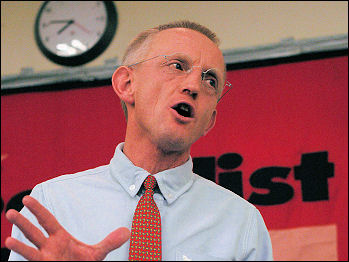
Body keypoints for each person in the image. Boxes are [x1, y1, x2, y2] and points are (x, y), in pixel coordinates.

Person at [6, 20, 273, 261]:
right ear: (126, 84)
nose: (193, 86)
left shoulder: (242, 223)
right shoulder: (53, 203)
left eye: (210, 80)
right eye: (177, 66)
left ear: (209, 121)